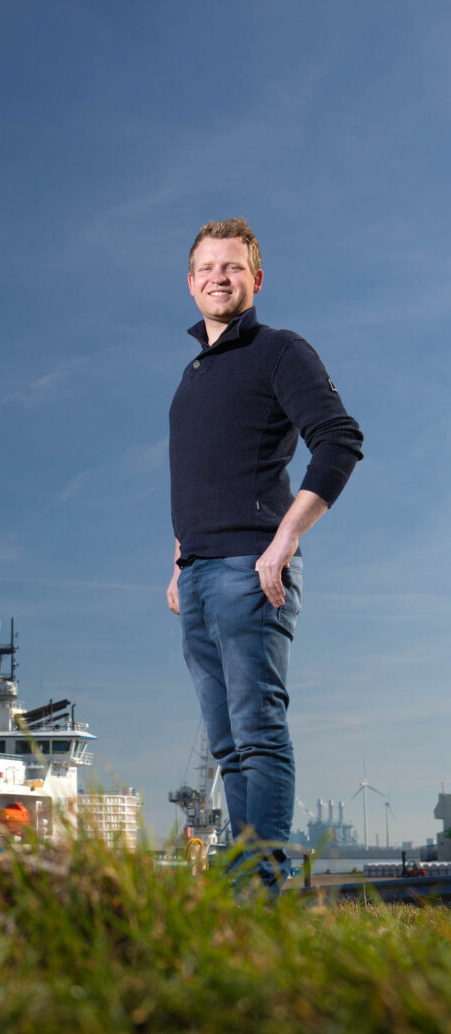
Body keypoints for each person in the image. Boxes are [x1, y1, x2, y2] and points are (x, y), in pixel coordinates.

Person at [167, 217, 363, 894]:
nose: (219, 277)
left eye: (233, 266)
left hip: (251, 569)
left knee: (257, 735)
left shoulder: (281, 350)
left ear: (256, 278)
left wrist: (285, 539)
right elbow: (202, 473)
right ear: (190, 282)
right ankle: (243, 892)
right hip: (197, 576)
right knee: (226, 748)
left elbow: (338, 440)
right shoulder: (194, 373)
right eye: (207, 268)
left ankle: (264, 891)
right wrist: (178, 560)